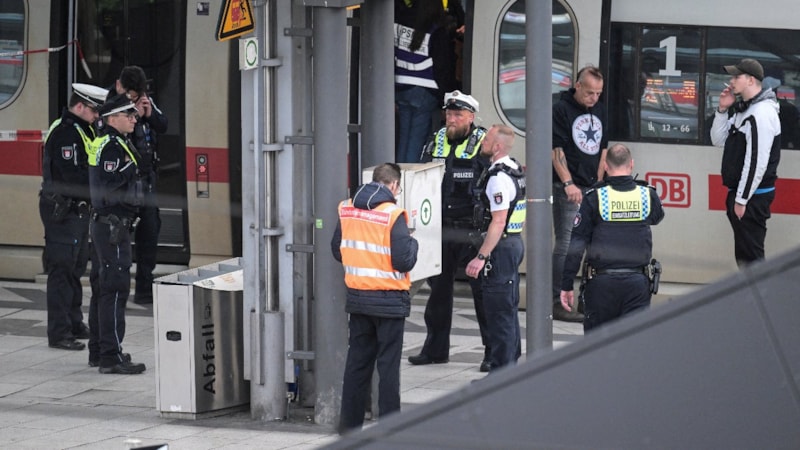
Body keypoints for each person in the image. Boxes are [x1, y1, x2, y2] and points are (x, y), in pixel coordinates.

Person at [408, 90, 492, 372]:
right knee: (438, 292)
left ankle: (492, 351)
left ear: (471, 117)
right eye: (449, 113)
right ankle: (435, 349)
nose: (452, 119)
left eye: (458, 115)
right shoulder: (436, 139)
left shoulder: (484, 142)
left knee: (482, 293)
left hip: (472, 228)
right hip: (441, 227)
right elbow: (419, 178)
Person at [331, 163, 418, 434]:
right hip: (389, 302)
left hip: (358, 299)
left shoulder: (346, 208)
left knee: (357, 364)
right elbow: (404, 260)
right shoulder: (393, 215)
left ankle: (349, 427)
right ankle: (391, 428)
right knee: (388, 367)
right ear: (393, 185)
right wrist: (413, 242)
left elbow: (338, 250)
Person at [559, 143, 665, 332]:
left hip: (601, 285)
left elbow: (576, 245)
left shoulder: (595, 197)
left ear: (606, 167)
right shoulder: (647, 195)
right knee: (634, 344)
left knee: (597, 348)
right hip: (637, 284)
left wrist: (567, 284)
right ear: (631, 164)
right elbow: (656, 217)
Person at [40, 83, 107, 351]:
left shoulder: (83, 129)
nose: (97, 116)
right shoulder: (66, 133)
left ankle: (74, 322)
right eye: (94, 110)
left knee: (76, 268)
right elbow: (73, 176)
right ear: (80, 106)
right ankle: (59, 332)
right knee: (62, 270)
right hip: (62, 211)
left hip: (76, 211)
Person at [87, 94, 147, 374]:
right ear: (112, 119)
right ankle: (111, 356)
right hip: (113, 225)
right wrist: (132, 166)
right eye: (129, 115)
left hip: (105, 224)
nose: (135, 119)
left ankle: (99, 350)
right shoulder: (112, 146)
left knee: (102, 287)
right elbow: (110, 185)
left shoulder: (109, 142)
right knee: (115, 288)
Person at [465, 124, 526, 371]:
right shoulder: (514, 168)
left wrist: (481, 256)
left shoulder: (498, 178)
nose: (482, 142)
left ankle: (502, 369)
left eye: (487, 139)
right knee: (508, 308)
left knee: (498, 311)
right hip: (512, 244)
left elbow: (498, 221)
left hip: (500, 248)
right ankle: (510, 361)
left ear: (497, 146)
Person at [551, 65, 609, 323]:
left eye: (598, 93)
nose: (594, 98)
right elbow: (556, 150)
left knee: (593, 244)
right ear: (577, 86)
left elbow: (603, 149)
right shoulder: (561, 109)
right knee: (566, 243)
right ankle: (556, 300)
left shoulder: (600, 110)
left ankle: (586, 299)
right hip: (568, 186)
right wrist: (568, 184)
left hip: (592, 186)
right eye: (589, 93)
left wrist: (598, 182)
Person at [710, 58, 781, 267]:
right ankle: (754, 297)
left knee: (751, 258)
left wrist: (741, 200)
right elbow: (718, 139)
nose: (731, 81)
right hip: (744, 195)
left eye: (736, 77)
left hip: (752, 198)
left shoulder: (761, 114)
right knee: (745, 255)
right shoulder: (746, 110)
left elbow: (757, 161)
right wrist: (723, 109)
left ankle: (761, 298)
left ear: (750, 80)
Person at [107, 65, 168, 305]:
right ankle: (116, 289)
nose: (133, 99)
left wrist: (149, 114)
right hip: (123, 183)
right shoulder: (109, 104)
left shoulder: (145, 101)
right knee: (118, 236)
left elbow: (163, 125)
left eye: (137, 94)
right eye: (130, 94)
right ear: (119, 85)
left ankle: (144, 288)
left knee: (149, 232)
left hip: (146, 181)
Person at [394, 0, 460, 163]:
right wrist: (445, 98)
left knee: (404, 139)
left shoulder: (400, 19)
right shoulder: (437, 29)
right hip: (425, 90)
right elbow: (442, 68)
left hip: (401, 87)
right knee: (416, 142)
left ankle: (399, 175)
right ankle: (407, 182)